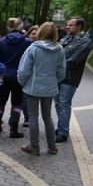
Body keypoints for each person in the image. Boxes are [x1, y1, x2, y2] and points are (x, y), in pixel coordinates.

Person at [18, 23, 66, 155]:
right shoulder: (59, 50)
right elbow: (62, 72)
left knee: (33, 117)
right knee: (47, 116)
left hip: (33, 87)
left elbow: (23, 70)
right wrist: (54, 82)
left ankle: (34, 146)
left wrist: (23, 83)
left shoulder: (33, 48)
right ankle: (52, 146)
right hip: (50, 88)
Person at [55, 17, 93, 143]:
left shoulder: (85, 42)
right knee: (57, 103)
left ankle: (63, 132)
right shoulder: (65, 38)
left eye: (71, 25)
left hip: (70, 78)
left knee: (64, 103)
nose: (67, 27)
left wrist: (57, 65)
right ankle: (61, 126)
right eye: (67, 25)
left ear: (79, 27)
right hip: (58, 76)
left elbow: (75, 60)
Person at [0, 18, 32, 138]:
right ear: (21, 27)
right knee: (17, 103)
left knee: (0, 101)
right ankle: (13, 129)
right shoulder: (28, 42)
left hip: (3, 76)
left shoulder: (1, 41)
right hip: (19, 77)